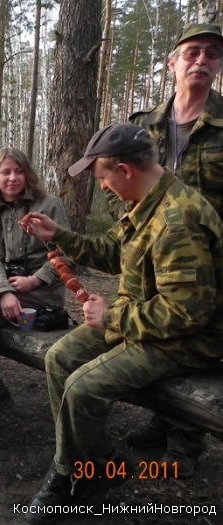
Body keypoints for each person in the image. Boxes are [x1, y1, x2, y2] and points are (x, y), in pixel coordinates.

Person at [22, 123, 223, 525]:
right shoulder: (146, 200)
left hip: (186, 340)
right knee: (60, 357)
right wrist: (59, 234)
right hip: (143, 320)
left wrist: (110, 316)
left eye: (102, 177)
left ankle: (66, 475)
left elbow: (187, 315)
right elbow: (114, 252)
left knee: (82, 388)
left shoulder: (177, 222)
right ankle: (99, 465)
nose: (102, 186)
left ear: (125, 170)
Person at [119, 22, 223, 474]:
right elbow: (116, 180)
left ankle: (185, 440)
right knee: (154, 335)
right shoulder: (143, 126)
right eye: (193, 52)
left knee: (194, 340)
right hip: (147, 259)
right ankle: (161, 420)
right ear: (173, 62)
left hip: (208, 265)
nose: (202, 60)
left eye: (212, 54)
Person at [0, 148, 69, 420]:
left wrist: (35, 279)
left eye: (18, 171)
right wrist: (4, 292)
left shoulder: (49, 204)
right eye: (5, 172)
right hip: (12, 287)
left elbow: (69, 253)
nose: (12, 178)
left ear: (27, 174)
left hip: (43, 294)